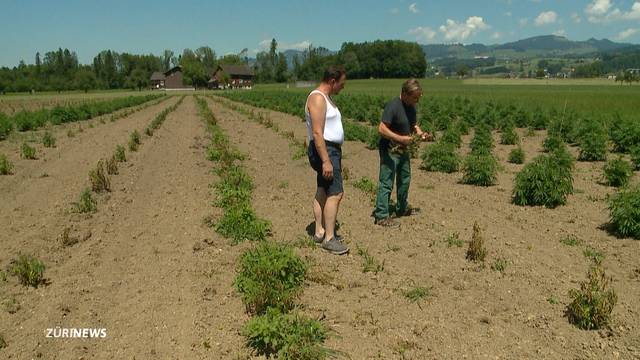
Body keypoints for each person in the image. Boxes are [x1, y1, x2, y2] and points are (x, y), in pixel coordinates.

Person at [373, 79, 431, 227]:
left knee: (405, 179)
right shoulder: (393, 106)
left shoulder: (410, 107)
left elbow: (413, 124)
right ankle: (381, 215)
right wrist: (400, 139)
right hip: (389, 150)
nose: (416, 101)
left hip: (403, 150)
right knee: (386, 182)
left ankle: (401, 208)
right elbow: (381, 128)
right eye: (415, 98)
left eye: (418, 98)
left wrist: (420, 133)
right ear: (405, 93)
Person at [305, 66, 349, 255]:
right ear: (332, 81)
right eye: (341, 83)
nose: (342, 87)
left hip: (329, 150)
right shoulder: (317, 98)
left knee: (323, 188)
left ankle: (319, 231)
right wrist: (326, 160)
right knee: (336, 192)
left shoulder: (324, 98)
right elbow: (317, 132)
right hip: (326, 150)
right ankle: (330, 238)